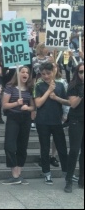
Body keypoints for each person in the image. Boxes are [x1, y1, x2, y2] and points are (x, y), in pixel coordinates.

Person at [33, 62, 69, 185]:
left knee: (62, 148)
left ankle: (66, 172)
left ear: (53, 72)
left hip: (57, 120)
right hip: (42, 121)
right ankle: (47, 173)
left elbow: (66, 101)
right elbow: (38, 103)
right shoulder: (39, 85)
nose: (46, 76)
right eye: (43, 74)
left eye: (48, 73)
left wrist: (65, 115)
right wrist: (49, 91)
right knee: (45, 148)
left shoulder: (60, 85)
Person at [2, 66, 35, 185]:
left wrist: (28, 107)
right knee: (9, 145)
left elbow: (33, 107)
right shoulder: (10, 87)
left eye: (27, 72)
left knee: (22, 146)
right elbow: (4, 105)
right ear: (18, 73)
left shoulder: (30, 88)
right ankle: (14, 174)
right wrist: (16, 103)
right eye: (23, 72)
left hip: (25, 118)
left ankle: (18, 174)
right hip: (13, 118)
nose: (25, 74)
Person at [64, 63, 84, 193]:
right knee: (74, 150)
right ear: (77, 73)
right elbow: (73, 104)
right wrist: (81, 94)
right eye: (81, 72)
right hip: (76, 120)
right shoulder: (73, 86)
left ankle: (82, 179)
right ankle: (69, 179)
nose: (83, 74)